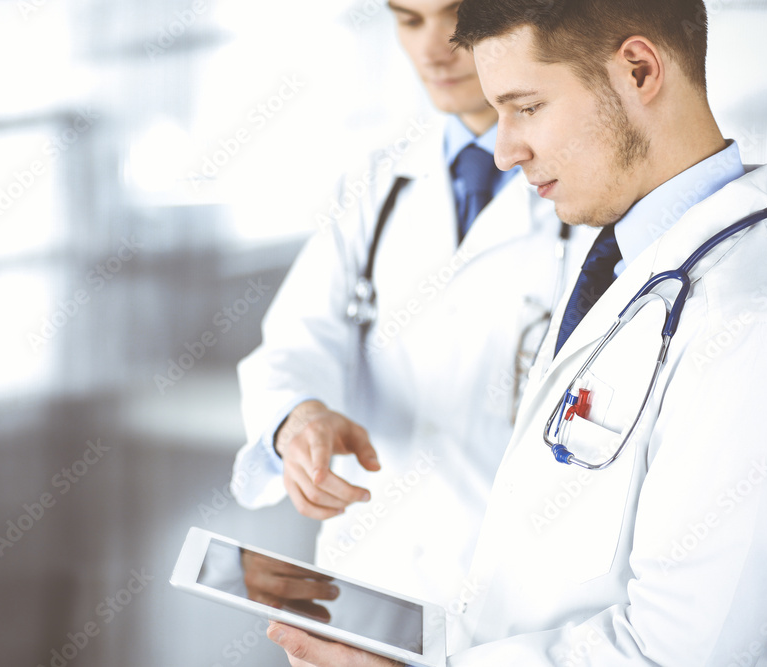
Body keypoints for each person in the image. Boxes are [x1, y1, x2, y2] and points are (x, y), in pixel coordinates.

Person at [266, 0, 767, 664]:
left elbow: (686, 654)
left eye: (525, 108)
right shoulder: (617, 261)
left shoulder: (751, 328)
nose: (502, 151)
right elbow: (536, 590)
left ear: (637, 70)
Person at [230, 0, 591, 612]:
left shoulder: (587, 193)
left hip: (517, 611)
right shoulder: (377, 181)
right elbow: (294, 341)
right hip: (368, 585)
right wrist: (298, 418)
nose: (431, 48)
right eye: (408, 20)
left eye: (456, 16)